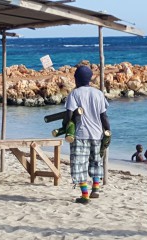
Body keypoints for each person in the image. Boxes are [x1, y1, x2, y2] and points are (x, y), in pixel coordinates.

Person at [64, 65, 110, 204]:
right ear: (90, 79)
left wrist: (65, 125)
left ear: (76, 79)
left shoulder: (75, 94)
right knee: (96, 162)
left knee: (79, 164)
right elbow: (104, 116)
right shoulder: (98, 94)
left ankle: (85, 195)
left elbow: (69, 114)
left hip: (80, 134)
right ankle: (95, 188)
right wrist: (108, 132)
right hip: (97, 134)